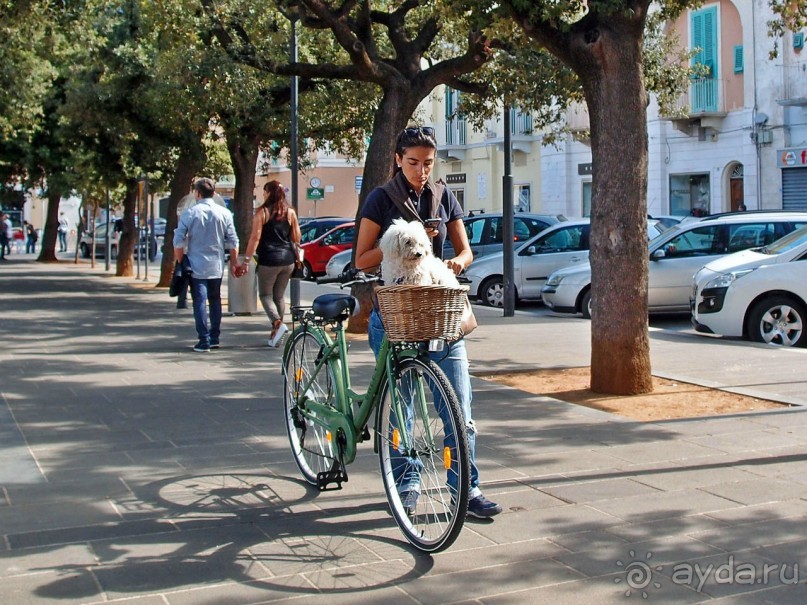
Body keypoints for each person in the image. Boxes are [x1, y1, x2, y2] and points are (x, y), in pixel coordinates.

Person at [354, 125, 502, 519]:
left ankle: (466, 489)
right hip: (397, 320)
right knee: (401, 413)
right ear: (398, 160)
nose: (421, 171)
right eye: (413, 162)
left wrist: (455, 262)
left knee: (459, 409)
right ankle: (407, 486)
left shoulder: (443, 195)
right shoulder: (381, 198)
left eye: (428, 163)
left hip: (439, 317)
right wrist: (396, 245)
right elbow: (361, 258)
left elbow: (466, 251)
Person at [173, 178, 248, 352]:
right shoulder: (225, 213)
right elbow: (233, 241)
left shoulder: (190, 213)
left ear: (196, 193)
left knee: (199, 300)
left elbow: (178, 241)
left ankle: (203, 339)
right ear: (214, 193)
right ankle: (215, 337)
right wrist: (234, 263)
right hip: (216, 264)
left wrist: (180, 261)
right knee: (215, 300)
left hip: (195, 264)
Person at [243, 180, 302, 348]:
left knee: (265, 295)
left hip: (269, 259)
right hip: (288, 260)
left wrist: (247, 259)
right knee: (279, 296)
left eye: (264, 192)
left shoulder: (263, 212)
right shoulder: (290, 212)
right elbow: (297, 237)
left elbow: (255, 237)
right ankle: (277, 333)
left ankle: (277, 324)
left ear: (269, 193)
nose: (263, 195)